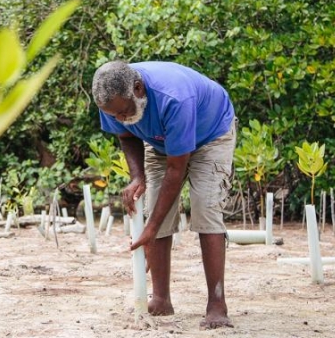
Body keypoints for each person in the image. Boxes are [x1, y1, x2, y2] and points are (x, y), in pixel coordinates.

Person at [91, 60, 236, 329]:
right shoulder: (110, 100)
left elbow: (176, 169)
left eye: (123, 112)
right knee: (154, 203)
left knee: (205, 207)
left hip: (211, 135)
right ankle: (161, 299)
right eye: (114, 115)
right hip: (160, 143)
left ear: (138, 89)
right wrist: (137, 176)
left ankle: (217, 305)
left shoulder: (175, 98)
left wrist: (151, 228)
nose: (120, 118)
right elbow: (126, 136)